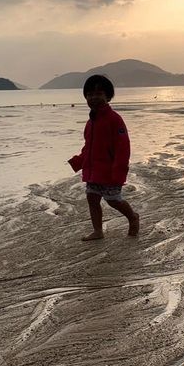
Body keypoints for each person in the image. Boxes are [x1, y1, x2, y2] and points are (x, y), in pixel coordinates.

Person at [68, 74, 140, 241]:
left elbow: (123, 149)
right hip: (93, 171)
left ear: (108, 96)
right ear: (85, 97)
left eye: (99, 94)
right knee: (92, 199)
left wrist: (119, 172)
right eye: (90, 94)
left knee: (113, 200)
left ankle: (133, 217)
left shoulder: (114, 119)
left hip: (110, 172)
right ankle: (98, 231)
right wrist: (79, 160)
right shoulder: (90, 122)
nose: (94, 97)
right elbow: (89, 146)